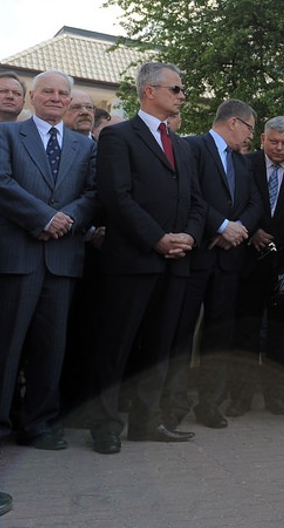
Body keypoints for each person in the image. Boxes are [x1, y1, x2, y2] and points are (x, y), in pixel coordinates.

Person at [0, 70, 97, 457]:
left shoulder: (85, 146)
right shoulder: (6, 135)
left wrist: (65, 220)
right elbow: (0, 182)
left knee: (50, 348)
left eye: (63, 93)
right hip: (17, 256)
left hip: (62, 260)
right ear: (32, 97)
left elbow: (94, 193)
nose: (56, 98)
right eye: (48, 92)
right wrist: (43, 218)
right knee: (2, 346)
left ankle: (39, 423)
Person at [87, 62, 205, 454]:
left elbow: (197, 201)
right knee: (116, 346)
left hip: (176, 263)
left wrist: (189, 236)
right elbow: (115, 196)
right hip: (132, 262)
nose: (182, 95)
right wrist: (156, 239)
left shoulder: (182, 145)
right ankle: (105, 426)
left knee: (159, 349)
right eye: (176, 89)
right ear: (149, 91)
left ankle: (145, 422)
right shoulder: (118, 136)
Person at [163, 99, 263, 430]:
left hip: (229, 261)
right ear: (234, 122)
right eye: (250, 129)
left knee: (219, 336)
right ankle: (173, 404)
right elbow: (190, 195)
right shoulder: (192, 147)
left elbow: (255, 204)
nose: (250, 136)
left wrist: (236, 230)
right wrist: (221, 226)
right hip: (196, 257)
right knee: (181, 333)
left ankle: (210, 404)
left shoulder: (243, 162)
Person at [229, 116, 284, 416]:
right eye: (273, 141)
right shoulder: (245, 163)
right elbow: (236, 203)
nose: (279, 148)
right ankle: (241, 397)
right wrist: (252, 231)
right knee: (246, 330)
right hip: (250, 259)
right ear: (262, 139)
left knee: (282, 333)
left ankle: (276, 395)